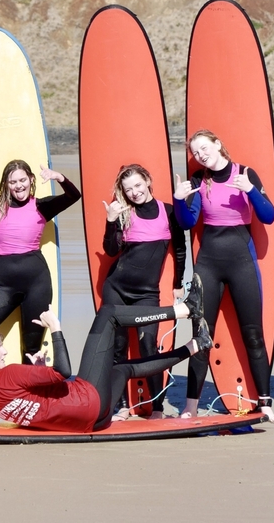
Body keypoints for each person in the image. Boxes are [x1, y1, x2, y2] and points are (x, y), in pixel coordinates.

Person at [0, 290, 209, 432]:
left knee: (123, 369)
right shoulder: (7, 374)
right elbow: (63, 371)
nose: (4, 352)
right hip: (88, 401)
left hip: (94, 423)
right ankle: (186, 309)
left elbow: (31, 401)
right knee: (109, 314)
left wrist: (37, 374)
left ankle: (197, 344)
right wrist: (55, 328)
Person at [0, 160, 81, 423]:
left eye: (22, 180)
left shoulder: (41, 206)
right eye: (13, 181)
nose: (19, 186)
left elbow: (74, 195)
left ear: (30, 180)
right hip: (4, 286)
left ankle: (28, 403)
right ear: (6, 184)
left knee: (32, 346)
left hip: (37, 284)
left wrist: (58, 176)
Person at [173, 129, 274, 422]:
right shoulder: (198, 182)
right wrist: (179, 200)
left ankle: (265, 402)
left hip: (242, 262)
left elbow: (268, 216)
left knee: (254, 335)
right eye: (196, 152)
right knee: (201, 336)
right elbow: (187, 222)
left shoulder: (245, 174)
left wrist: (250, 190)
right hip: (208, 264)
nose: (201, 154)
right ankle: (191, 405)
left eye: (205, 147)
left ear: (218, 144)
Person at [100, 163, 188, 420]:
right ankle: (121, 406)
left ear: (148, 181)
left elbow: (180, 250)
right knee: (118, 347)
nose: (134, 192)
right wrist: (110, 222)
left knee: (148, 346)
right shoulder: (124, 213)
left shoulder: (167, 212)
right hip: (116, 287)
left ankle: (157, 408)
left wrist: (177, 283)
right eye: (128, 189)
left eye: (138, 185)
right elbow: (111, 251)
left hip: (147, 293)